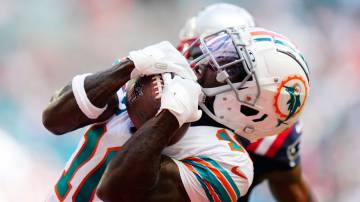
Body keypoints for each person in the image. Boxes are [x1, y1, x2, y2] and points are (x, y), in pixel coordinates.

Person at [43, 26, 309, 201]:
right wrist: (130, 65)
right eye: (222, 49)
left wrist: (170, 116)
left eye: (232, 66)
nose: (209, 59)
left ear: (251, 108)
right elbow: (54, 120)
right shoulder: (161, 72)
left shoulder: (231, 165)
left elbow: (116, 190)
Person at [177, 3, 315, 202]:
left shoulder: (268, 135)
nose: (201, 64)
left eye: (223, 57)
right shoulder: (166, 86)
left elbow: (294, 191)